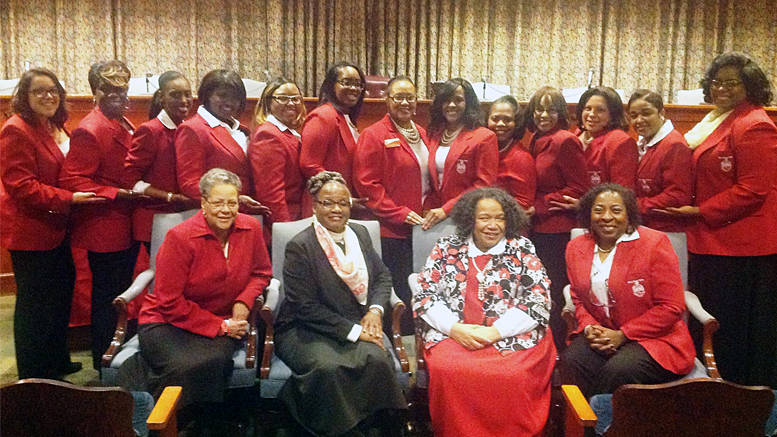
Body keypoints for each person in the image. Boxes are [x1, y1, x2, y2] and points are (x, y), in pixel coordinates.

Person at [663, 52, 777, 388]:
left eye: (732, 83)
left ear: (750, 87)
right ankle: (710, 392)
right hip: (712, 241)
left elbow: (754, 189)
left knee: (732, 331)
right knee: (710, 323)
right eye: (716, 81)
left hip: (741, 249)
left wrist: (700, 211)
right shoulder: (718, 119)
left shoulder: (754, 124)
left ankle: (738, 398)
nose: (721, 88)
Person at [120, 168, 272, 409]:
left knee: (215, 359)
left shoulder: (251, 228)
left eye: (232, 203)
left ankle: (166, 411)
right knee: (185, 366)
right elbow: (168, 301)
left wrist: (243, 301)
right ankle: (156, 418)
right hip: (166, 321)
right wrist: (219, 326)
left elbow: (261, 273)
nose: (226, 210)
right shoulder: (180, 237)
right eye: (218, 202)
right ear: (203, 202)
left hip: (224, 319)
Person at [274, 171, 407, 437]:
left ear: (350, 205)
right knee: (328, 368)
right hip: (305, 329)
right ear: (315, 205)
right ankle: (336, 430)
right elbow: (304, 307)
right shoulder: (300, 245)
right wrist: (358, 332)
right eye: (328, 203)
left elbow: (382, 276)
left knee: (377, 359)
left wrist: (375, 311)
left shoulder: (359, 232)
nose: (336, 209)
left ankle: (369, 423)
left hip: (357, 319)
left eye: (343, 203)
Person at [414, 187, 556, 437]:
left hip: (512, 336)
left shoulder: (521, 248)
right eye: (484, 218)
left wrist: (495, 332)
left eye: (499, 218)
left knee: (512, 374)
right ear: (471, 219)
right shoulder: (447, 246)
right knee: (449, 370)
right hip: (453, 334)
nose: (493, 225)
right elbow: (425, 293)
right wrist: (454, 329)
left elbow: (538, 299)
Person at [0, 69, 101, 379]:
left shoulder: (52, 126)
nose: (47, 96)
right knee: (34, 307)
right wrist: (70, 198)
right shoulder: (16, 130)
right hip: (31, 233)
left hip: (56, 230)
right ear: (25, 97)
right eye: (39, 91)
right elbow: (21, 185)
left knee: (59, 297)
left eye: (53, 91)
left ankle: (56, 359)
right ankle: (33, 375)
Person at [560, 183, 696, 399]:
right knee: (572, 361)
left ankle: (607, 427)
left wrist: (623, 335)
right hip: (603, 333)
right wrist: (590, 328)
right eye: (598, 210)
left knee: (619, 370)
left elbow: (672, 307)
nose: (606, 217)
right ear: (588, 214)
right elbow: (578, 297)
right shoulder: (576, 247)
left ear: (629, 214)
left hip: (655, 339)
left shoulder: (654, 244)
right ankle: (581, 427)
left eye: (616, 210)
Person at [60, 60, 143, 369]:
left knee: (119, 290)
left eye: (123, 89)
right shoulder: (90, 128)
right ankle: (103, 361)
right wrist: (117, 193)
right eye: (111, 90)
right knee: (108, 295)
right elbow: (73, 181)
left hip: (123, 221)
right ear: (96, 91)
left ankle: (114, 354)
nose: (120, 96)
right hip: (105, 226)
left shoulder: (120, 120)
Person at [354, 75, 430, 335]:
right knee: (395, 289)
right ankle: (393, 343)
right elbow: (368, 186)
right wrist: (399, 213)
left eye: (410, 97)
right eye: (398, 97)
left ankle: (412, 344)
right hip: (390, 230)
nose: (405, 102)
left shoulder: (420, 132)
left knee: (416, 287)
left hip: (421, 228)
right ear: (387, 100)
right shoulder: (373, 135)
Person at [524, 86, 590, 352]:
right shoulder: (536, 138)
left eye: (551, 109)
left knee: (553, 292)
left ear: (561, 112)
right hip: (538, 229)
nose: (543, 114)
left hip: (557, 231)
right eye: (539, 108)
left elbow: (579, 188)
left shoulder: (565, 140)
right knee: (539, 291)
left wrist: (538, 206)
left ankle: (559, 351)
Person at [175, 69, 266, 213]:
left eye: (235, 97)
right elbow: (190, 184)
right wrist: (233, 199)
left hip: (246, 214)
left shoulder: (242, 130)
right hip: (215, 215)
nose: (229, 102)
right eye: (222, 96)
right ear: (207, 96)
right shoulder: (193, 129)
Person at [123, 70, 194, 248]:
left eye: (187, 94)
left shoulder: (191, 129)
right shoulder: (150, 130)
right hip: (155, 217)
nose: (184, 100)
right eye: (175, 95)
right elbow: (129, 179)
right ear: (162, 97)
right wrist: (168, 196)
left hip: (185, 215)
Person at [422, 78, 499, 230]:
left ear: (468, 104)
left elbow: (483, 185)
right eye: (447, 100)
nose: (451, 105)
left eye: (458, 100)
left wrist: (447, 209)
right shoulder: (434, 134)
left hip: (466, 217)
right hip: (433, 217)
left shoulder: (484, 137)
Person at [248, 77, 307, 243]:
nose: (291, 103)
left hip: (296, 220)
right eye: (282, 98)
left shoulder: (288, 132)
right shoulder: (268, 135)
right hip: (282, 226)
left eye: (295, 98)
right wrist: (287, 232)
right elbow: (271, 195)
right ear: (268, 103)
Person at [625, 89, 693, 233]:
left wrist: (633, 205)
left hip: (667, 230)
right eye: (634, 115)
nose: (639, 120)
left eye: (646, 113)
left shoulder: (674, 145)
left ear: (661, 113)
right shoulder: (643, 143)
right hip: (647, 227)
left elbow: (677, 196)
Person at [300, 61, 366, 200]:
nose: (354, 88)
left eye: (358, 84)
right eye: (346, 82)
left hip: (343, 203)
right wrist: (338, 194)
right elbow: (309, 165)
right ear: (331, 86)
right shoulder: (323, 117)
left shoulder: (345, 117)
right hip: (326, 203)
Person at [576, 86, 638, 191]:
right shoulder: (577, 135)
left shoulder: (620, 141)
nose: (591, 114)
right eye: (588, 108)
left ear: (613, 114)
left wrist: (582, 204)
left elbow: (621, 192)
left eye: (600, 110)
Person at [487, 95, 536, 211]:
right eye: (495, 119)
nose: (500, 124)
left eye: (507, 120)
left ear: (516, 123)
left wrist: (490, 210)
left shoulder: (522, 158)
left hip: (508, 222)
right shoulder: (481, 149)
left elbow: (524, 202)